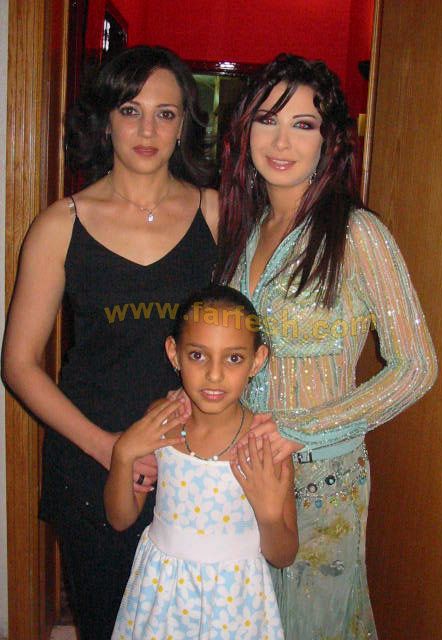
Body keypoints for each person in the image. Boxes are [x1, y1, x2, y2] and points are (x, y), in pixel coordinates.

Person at [216, 53, 438, 639]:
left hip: (323, 480)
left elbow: (416, 368)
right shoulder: (244, 230)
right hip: (243, 471)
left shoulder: (357, 233)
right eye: (267, 120)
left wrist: (301, 428)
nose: (281, 141)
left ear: (328, 140)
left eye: (303, 124)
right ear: (245, 129)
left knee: (316, 625)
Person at [2, 46, 218, 640]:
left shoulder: (214, 213)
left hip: (193, 463)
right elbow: (19, 364)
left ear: (184, 124)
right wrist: (109, 448)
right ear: (105, 120)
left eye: (165, 113)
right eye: (130, 110)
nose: (147, 130)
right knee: (108, 623)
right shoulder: (60, 224)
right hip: (91, 460)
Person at [106, 284, 298, 639]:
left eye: (233, 358)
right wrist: (122, 455)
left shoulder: (265, 446)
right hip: (161, 597)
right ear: (174, 353)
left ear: (257, 361)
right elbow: (121, 518)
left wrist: (270, 516)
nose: (214, 374)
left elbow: (283, 555)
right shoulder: (161, 420)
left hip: (235, 607)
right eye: (197, 355)